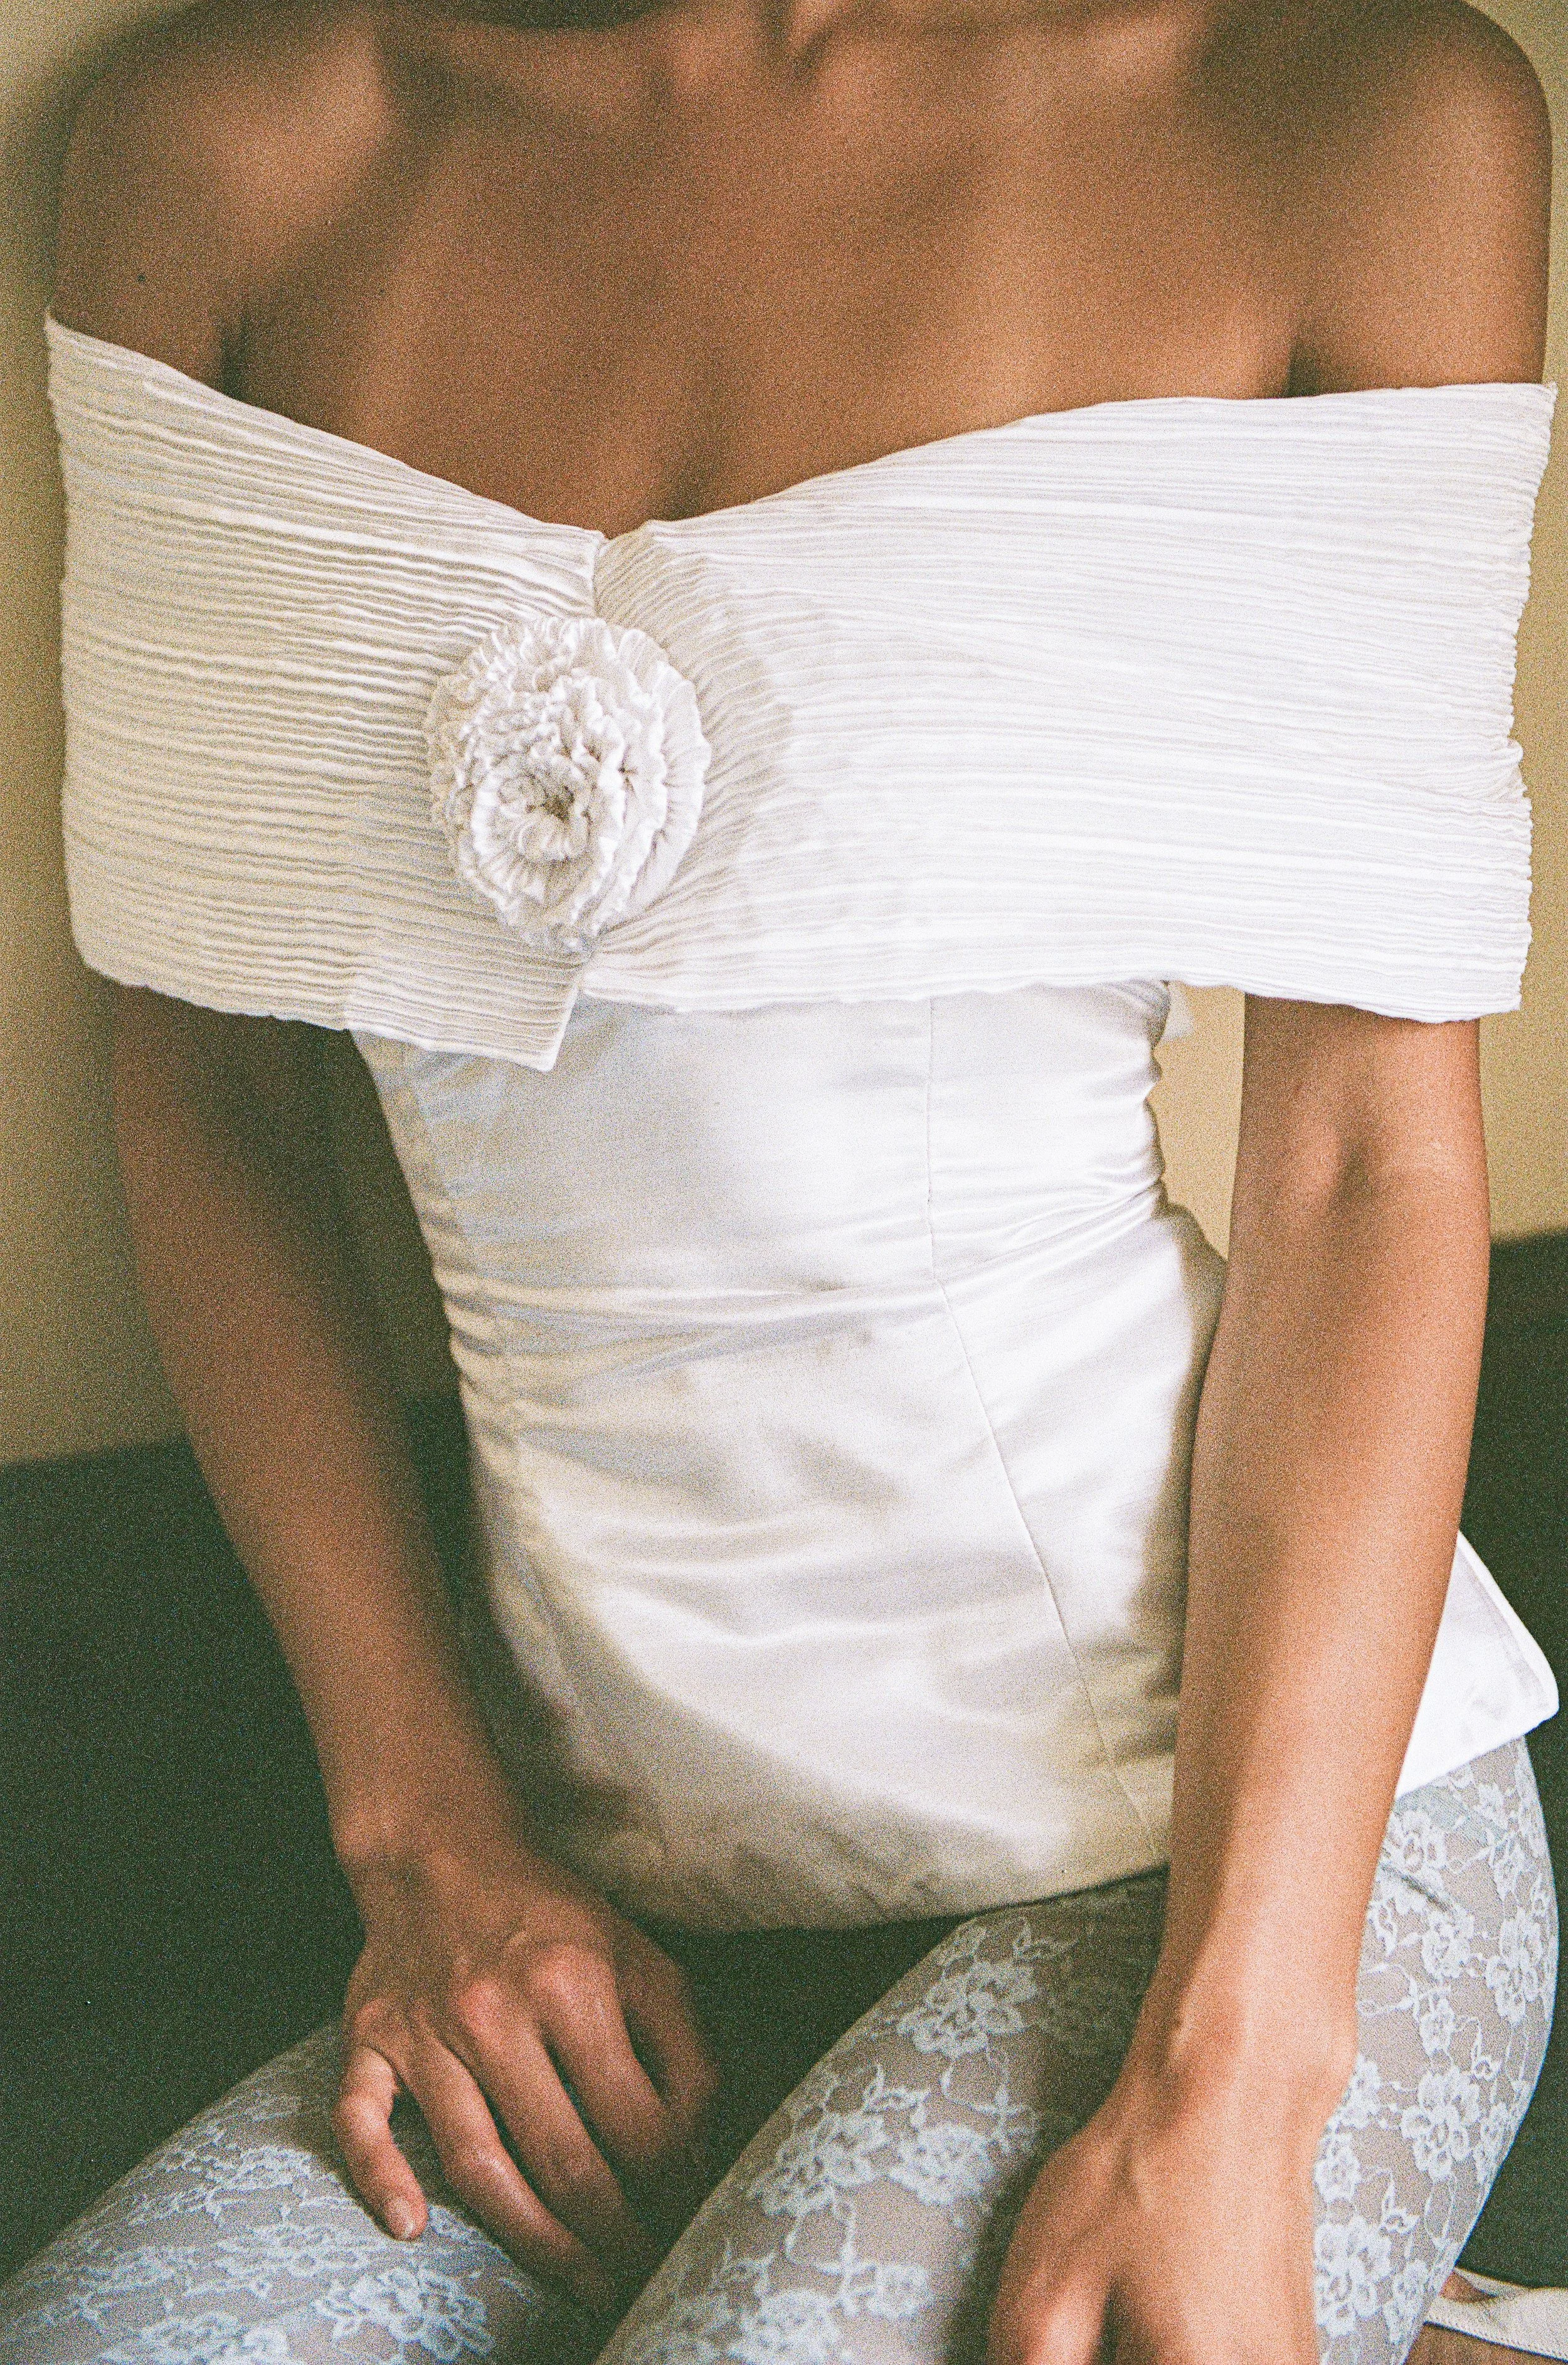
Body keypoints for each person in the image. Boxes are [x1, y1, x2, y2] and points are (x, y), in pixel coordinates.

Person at [1, 0, 1560, 2357]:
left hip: (1238, 1851)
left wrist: (1237, 2092)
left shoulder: (1340, 118)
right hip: (595, 1867)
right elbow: (205, 1080)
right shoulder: (225, 150)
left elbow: (1355, 1162)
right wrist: (423, 1836)